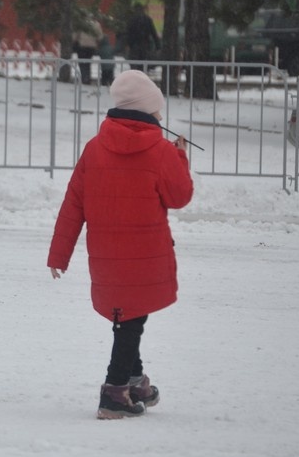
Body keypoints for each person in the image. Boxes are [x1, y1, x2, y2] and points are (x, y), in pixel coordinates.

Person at [47, 69, 193, 419]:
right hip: (144, 257)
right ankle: (114, 392)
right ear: (145, 111)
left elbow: (73, 205)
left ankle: (134, 380)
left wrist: (58, 255)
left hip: (106, 256)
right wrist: (180, 157)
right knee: (130, 321)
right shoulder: (161, 151)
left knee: (128, 315)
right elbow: (180, 197)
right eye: (157, 111)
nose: (161, 118)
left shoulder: (94, 148)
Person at [125, 3, 162, 72]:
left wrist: (129, 44)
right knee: (143, 64)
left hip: (134, 46)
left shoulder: (132, 20)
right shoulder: (147, 19)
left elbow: (128, 33)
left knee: (134, 65)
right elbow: (153, 33)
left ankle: (135, 75)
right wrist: (158, 46)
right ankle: (142, 74)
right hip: (145, 45)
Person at [74, 19, 103, 85]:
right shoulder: (96, 24)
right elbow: (100, 36)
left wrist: (75, 40)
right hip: (91, 47)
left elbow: (75, 35)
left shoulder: (81, 23)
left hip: (82, 46)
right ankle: (87, 78)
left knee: (82, 63)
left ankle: (84, 78)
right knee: (88, 63)